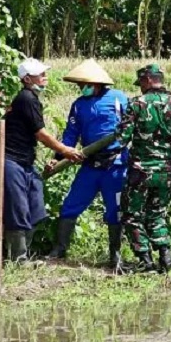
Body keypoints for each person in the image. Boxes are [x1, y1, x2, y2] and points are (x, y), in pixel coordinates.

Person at [48, 59, 130, 269]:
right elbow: (70, 135)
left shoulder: (119, 98)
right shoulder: (79, 105)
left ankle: (116, 255)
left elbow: (131, 128)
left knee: (115, 210)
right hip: (89, 165)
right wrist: (57, 157)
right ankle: (60, 249)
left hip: (116, 165)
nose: (80, 88)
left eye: (83, 84)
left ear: (96, 83)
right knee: (70, 206)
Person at [0, 58, 82, 261]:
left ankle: (22, 253)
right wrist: (64, 150)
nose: (45, 77)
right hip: (10, 160)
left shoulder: (31, 99)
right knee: (18, 209)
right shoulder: (26, 98)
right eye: (40, 74)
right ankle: (19, 258)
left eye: (45, 73)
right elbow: (41, 134)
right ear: (27, 79)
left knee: (36, 208)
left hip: (25, 161)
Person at [118, 63, 171, 272]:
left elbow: (122, 138)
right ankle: (166, 257)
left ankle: (145, 260)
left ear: (148, 80)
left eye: (141, 82)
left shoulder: (136, 105)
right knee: (157, 213)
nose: (140, 87)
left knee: (132, 214)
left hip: (140, 172)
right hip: (166, 173)